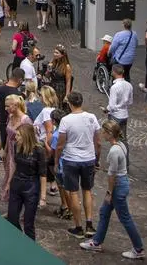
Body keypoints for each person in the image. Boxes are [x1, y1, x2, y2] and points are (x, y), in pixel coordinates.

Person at [79, 120, 145, 258]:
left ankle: (138, 248)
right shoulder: (121, 145)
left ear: (109, 133)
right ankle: (96, 242)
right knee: (104, 212)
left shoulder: (114, 150)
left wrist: (109, 192)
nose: (102, 134)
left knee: (125, 218)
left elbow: (112, 175)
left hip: (117, 186)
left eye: (104, 132)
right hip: (121, 183)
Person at [56, 91, 101, 238]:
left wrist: (56, 162)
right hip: (88, 159)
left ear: (70, 104)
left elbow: (60, 145)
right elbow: (98, 142)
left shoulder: (66, 120)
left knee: (73, 192)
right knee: (87, 190)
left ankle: (78, 226)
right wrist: (97, 159)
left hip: (71, 159)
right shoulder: (92, 117)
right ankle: (89, 223)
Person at [6, 122, 47, 240]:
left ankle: (30, 245)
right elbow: (15, 165)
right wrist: (8, 183)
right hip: (16, 183)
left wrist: (43, 197)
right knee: (12, 218)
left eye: (18, 135)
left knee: (28, 223)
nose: (16, 137)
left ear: (26, 136)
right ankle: (19, 240)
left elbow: (43, 174)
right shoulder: (17, 146)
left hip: (31, 186)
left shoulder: (39, 151)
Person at [0, 94, 32, 201]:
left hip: (19, 152)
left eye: (8, 106)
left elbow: (29, 139)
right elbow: (9, 136)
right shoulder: (10, 117)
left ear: (16, 105)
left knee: (15, 175)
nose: (6, 108)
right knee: (9, 172)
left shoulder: (25, 120)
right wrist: (5, 150)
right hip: (10, 150)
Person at [33, 86, 61, 197]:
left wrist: (48, 147)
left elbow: (49, 131)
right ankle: (53, 185)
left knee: (43, 167)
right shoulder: (53, 110)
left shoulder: (46, 111)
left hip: (43, 142)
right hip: (46, 142)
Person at [0, 69, 26, 157]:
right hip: (12, 123)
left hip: (0, 118)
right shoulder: (17, 95)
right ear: (20, 80)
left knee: (4, 140)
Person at [108, 18, 139, 85]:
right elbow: (136, 44)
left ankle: (115, 87)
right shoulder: (134, 34)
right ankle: (127, 87)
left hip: (120, 60)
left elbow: (113, 47)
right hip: (130, 60)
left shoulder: (119, 34)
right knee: (126, 74)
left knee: (116, 74)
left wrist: (109, 53)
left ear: (123, 25)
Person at [105, 64, 133, 132]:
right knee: (123, 136)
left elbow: (112, 106)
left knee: (113, 136)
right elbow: (130, 102)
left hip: (115, 116)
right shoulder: (129, 85)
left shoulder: (114, 87)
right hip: (124, 115)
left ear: (114, 72)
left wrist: (106, 109)